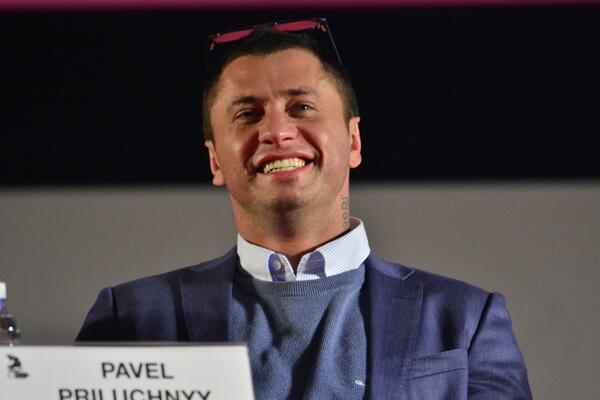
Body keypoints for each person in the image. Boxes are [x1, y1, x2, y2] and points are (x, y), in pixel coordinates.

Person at [77, 18, 532, 399]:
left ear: (353, 140)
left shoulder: (467, 319)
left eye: (301, 107)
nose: (276, 130)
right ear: (215, 160)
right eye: (247, 114)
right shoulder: (128, 318)